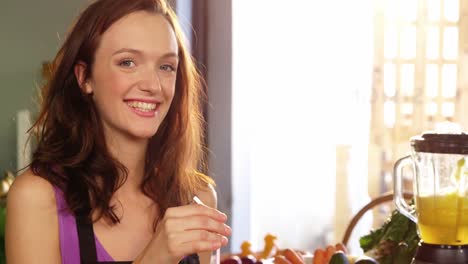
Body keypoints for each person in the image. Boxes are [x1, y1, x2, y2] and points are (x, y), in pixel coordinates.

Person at [5, 0, 230, 263]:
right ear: (84, 77)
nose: (153, 85)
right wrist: (156, 256)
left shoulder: (197, 197)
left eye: (166, 66)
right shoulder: (36, 198)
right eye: (127, 62)